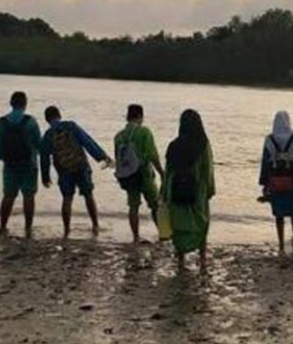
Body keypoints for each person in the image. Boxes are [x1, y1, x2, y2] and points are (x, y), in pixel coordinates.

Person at [40, 106, 114, 239]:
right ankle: (95, 225)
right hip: (81, 166)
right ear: (59, 115)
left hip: (64, 170)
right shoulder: (71, 126)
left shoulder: (48, 135)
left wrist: (45, 176)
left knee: (67, 199)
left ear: (47, 119)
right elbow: (88, 142)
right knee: (88, 195)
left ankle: (66, 229)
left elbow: (44, 157)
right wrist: (103, 157)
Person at [164, 109, 215, 275]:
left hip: (176, 190)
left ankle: (180, 259)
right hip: (197, 191)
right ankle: (202, 258)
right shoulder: (203, 145)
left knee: (178, 225)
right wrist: (209, 189)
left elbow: (168, 172)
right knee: (201, 223)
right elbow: (208, 169)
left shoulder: (173, 146)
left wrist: (164, 192)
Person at [0, 91, 41, 238]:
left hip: (9, 165)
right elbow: (39, 145)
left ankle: (3, 225)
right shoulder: (31, 122)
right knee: (28, 196)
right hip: (28, 164)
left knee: (8, 196)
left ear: (11, 103)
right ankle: (28, 228)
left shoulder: (2, 122)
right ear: (25, 104)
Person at [258, 110, 293, 255]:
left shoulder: (269, 140)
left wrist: (264, 183)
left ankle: (280, 243)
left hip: (275, 182)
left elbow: (265, 163)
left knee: (279, 215)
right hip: (292, 181)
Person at [114, 104, 164, 244]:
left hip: (128, 176)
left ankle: (135, 237)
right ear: (140, 116)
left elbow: (119, 159)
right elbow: (153, 155)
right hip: (144, 175)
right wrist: (161, 172)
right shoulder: (144, 132)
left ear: (128, 116)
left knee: (133, 206)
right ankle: (162, 234)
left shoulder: (118, 136)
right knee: (155, 205)